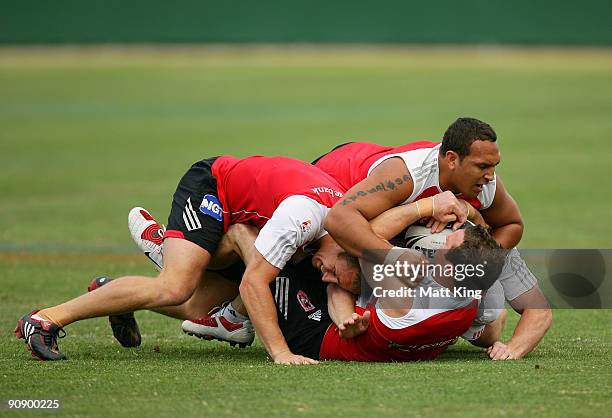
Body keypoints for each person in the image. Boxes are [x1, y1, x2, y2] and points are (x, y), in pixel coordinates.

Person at [14, 155, 362, 363]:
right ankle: (44, 319)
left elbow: (332, 276)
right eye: (336, 273)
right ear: (348, 247)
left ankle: (114, 294)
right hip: (212, 188)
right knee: (175, 287)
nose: (327, 278)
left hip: (245, 224)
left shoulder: (338, 228)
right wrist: (281, 353)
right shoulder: (303, 217)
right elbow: (253, 282)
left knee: (199, 308)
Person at [314, 117, 552, 359]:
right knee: (345, 268)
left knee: (485, 322)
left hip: (387, 221)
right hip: (330, 181)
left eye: (494, 166)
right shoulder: (407, 176)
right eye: (482, 166)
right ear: (451, 159)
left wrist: (476, 258)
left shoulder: (484, 185)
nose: (491, 176)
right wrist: (396, 257)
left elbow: (512, 225)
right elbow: (338, 219)